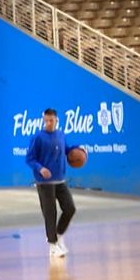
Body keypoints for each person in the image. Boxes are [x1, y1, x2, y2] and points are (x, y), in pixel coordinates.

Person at [25, 108, 80, 258]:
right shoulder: (38, 137)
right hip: (44, 183)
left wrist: (78, 150)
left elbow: (67, 150)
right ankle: (52, 246)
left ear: (56, 120)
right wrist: (40, 168)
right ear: (43, 119)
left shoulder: (61, 135)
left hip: (60, 180)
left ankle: (58, 235)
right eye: (46, 120)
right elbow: (29, 159)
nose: (48, 123)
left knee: (70, 208)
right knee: (50, 213)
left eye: (51, 120)